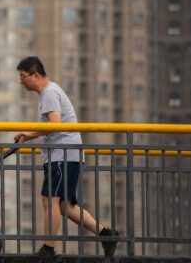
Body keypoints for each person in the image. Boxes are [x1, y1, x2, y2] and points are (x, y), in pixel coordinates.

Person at [13, 56, 118, 260]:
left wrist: (28, 133)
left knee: (49, 199)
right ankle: (106, 234)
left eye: (23, 77)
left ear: (35, 75)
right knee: (64, 206)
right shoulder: (49, 92)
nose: (22, 82)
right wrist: (29, 135)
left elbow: (55, 124)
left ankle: (48, 249)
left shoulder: (49, 92)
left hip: (63, 155)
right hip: (64, 155)